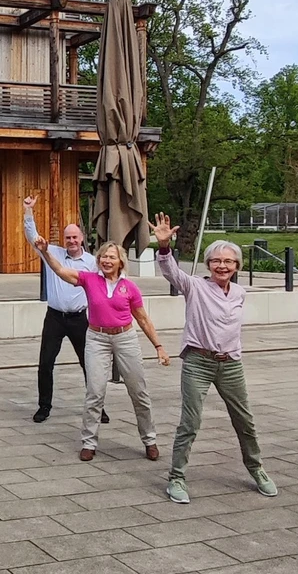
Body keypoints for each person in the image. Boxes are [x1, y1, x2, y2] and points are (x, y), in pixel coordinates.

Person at [151, 213, 277, 503]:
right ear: (208, 264)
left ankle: (257, 469)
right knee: (190, 422)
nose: (222, 266)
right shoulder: (195, 286)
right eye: (217, 261)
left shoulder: (239, 293)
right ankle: (177, 478)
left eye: (229, 261)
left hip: (231, 364)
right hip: (198, 362)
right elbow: (171, 272)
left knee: (245, 420)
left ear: (236, 266)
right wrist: (164, 247)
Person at [35, 236, 169, 462]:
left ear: (120, 262)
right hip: (97, 338)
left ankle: (150, 439)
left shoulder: (130, 287)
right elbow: (60, 270)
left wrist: (159, 346)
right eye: (103, 257)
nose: (107, 261)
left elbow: (143, 319)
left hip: (125, 338)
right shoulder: (89, 280)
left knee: (139, 392)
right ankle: (89, 442)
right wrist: (46, 252)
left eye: (112, 257)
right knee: (95, 392)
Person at [23, 195, 109, 424]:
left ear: (81, 239)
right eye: (68, 237)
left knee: (88, 363)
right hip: (55, 317)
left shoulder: (92, 262)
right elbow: (33, 237)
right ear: (64, 239)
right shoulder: (53, 254)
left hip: (80, 318)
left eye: (75, 237)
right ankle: (44, 406)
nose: (71, 241)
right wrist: (28, 211)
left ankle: (98, 406)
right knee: (46, 362)